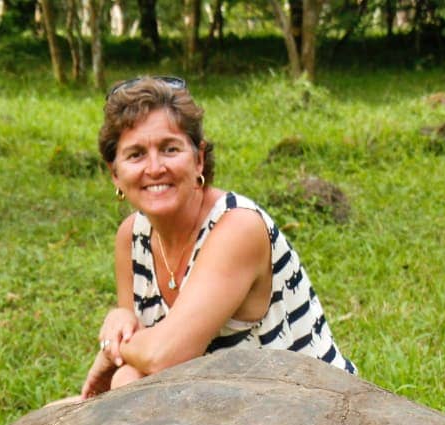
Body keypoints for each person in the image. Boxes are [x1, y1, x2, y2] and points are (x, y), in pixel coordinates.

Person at [81, 76, 355, 400]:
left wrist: (113, 347)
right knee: (126, 379)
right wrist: (121, 320)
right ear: (115, 173)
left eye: (170, 149)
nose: (155, 168)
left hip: (302, 405)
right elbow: (143, 356)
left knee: (127, 380)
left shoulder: (238, 227)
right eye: (136, 154)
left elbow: (161, 355)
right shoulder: (131, 237)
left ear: (198, 159)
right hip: (222, 406)